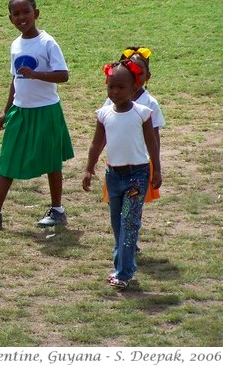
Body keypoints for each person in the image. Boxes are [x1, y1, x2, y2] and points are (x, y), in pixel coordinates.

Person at [0, 0, 74, 230]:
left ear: (36, 13)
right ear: (10, 18)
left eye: (26, 12)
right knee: (7, 160)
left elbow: (63, 75)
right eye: (16, 14)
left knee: (52, 161)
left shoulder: (47, 42)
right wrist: (6, 111)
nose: (21, 17)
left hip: (46, 110)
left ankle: (57, 209)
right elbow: (14, 80)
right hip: (20, 111)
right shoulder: (15, 45)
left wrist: (36, 74)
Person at [82, 60, 162, 290]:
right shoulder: (104, 114)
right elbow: (96, 144)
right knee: (117, 223)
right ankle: (121, 266)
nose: (115, 92)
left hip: (137, 175)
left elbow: (152, 143)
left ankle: (124, 272)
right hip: (113, 176)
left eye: (121, 87)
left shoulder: (143, 114)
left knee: (129, 221)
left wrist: (156, 168)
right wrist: (89, 168)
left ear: (134, 88)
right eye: (111, 87)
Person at [102, 47, 164, 204]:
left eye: (140, 73)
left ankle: (129, 229)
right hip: (116, 164)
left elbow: (154, 138)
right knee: (116, 207)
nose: (136, 77)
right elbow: (102, 132)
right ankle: (122, 229)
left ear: (147, 76)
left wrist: (156, 167)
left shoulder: (150, 104)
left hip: (140, 164)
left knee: (133, 209)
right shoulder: (113, 100)